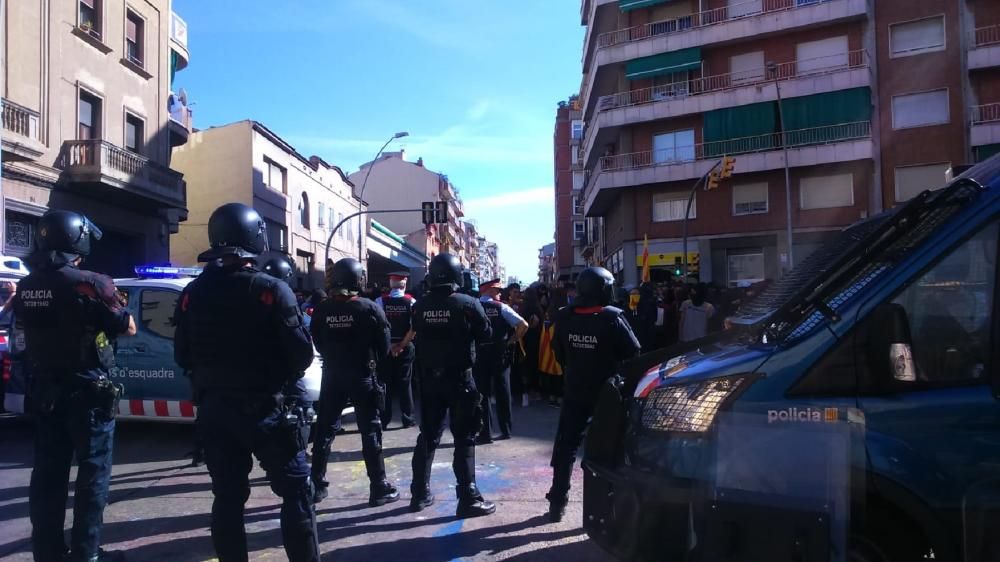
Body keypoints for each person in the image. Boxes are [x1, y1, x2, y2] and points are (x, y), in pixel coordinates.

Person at [174, 203, 319, 562]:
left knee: (227, 496)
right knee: (297, 492)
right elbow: (301, 355)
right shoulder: (270, 289)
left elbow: (182, 355)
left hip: (214, 410)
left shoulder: (193, 292)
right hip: (266, 410)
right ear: (256, 237)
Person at [15, 210, 136, 562]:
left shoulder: (27, 285)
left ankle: (47, 551)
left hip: (45, 392)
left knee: (47, 475)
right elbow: (126, 327)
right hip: (87, 392)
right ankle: (86, 554)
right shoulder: (92, 283)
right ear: (78, 240)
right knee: (92, 475)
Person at [394, 253, 495, 517]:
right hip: (460, 379)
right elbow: (486, 334)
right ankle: (468, 497)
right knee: (464, 438)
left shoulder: (420, 306)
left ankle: (419, 494)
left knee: (428, 435)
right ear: (455, 276)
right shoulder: (468, 303)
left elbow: (415, 331)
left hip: (429, 379)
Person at [546, 266, 640, 523]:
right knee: (608, 451)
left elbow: (559, 353)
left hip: (575, 389)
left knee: (565, 447)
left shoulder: (564, 317)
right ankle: (603, 510)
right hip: (606, 394)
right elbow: (633, 353)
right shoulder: (612, 317)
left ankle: (557, 503)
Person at [310, 258, 399, 507]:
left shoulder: (322, 309)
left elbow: (317, 341)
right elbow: (383, 348)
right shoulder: (369, 308)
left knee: (325, 429)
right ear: (358, 280)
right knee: (370, 430)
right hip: (362, 374)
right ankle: (378, 486)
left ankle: (316, 484)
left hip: (332, 374)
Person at [473, 278, 528, 444]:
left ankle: (485, 433)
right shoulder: (502, 307)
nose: (499, 293)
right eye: (497, 291)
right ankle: (506, 430)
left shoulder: (473, 307)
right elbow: (523, 325)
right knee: (503, 391)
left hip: (480, 353)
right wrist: (511, 340)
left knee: (483, 393)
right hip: (500, 353)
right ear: (488, 290)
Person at [376, 271, 417, 429]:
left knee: (385, 383)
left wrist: (390, 345)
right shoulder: (412, 302)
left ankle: (384, 419)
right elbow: (414, 328)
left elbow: (379, 327)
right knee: (405, 383)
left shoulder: (380, 301)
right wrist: (401, 345)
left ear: (390, 284)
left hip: (386, 347)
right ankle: (408, 418)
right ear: (404, 284)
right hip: (405, 347)